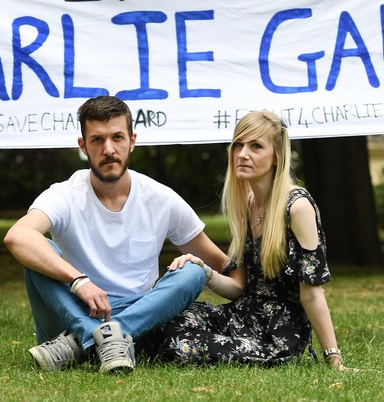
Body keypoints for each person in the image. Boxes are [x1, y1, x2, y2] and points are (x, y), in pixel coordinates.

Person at [3, 95, 229, 374]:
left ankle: (81, 344)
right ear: (83, 146)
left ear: (132, 141)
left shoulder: (161, 198)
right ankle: (95, 335)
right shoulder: (64, 194)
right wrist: (79, 281)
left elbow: (221, 264)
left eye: (117, 138)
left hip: (139, 315)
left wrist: (264, 281)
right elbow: (18, 236)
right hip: (70, 314)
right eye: (97, 140)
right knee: (37, 250)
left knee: (194, 271)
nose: (109, 149)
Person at [147, 111, 344, 369]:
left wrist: (333, 357)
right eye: (238, 144)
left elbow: (312, 294)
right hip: (242, 317)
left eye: (256, 146)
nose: (242, 154)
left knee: (179, 346)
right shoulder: (248, 202)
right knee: (164, 319)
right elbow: (239, 288)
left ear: (277, 157)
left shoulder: (297, 206)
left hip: (277, 336)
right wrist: (203, 270)